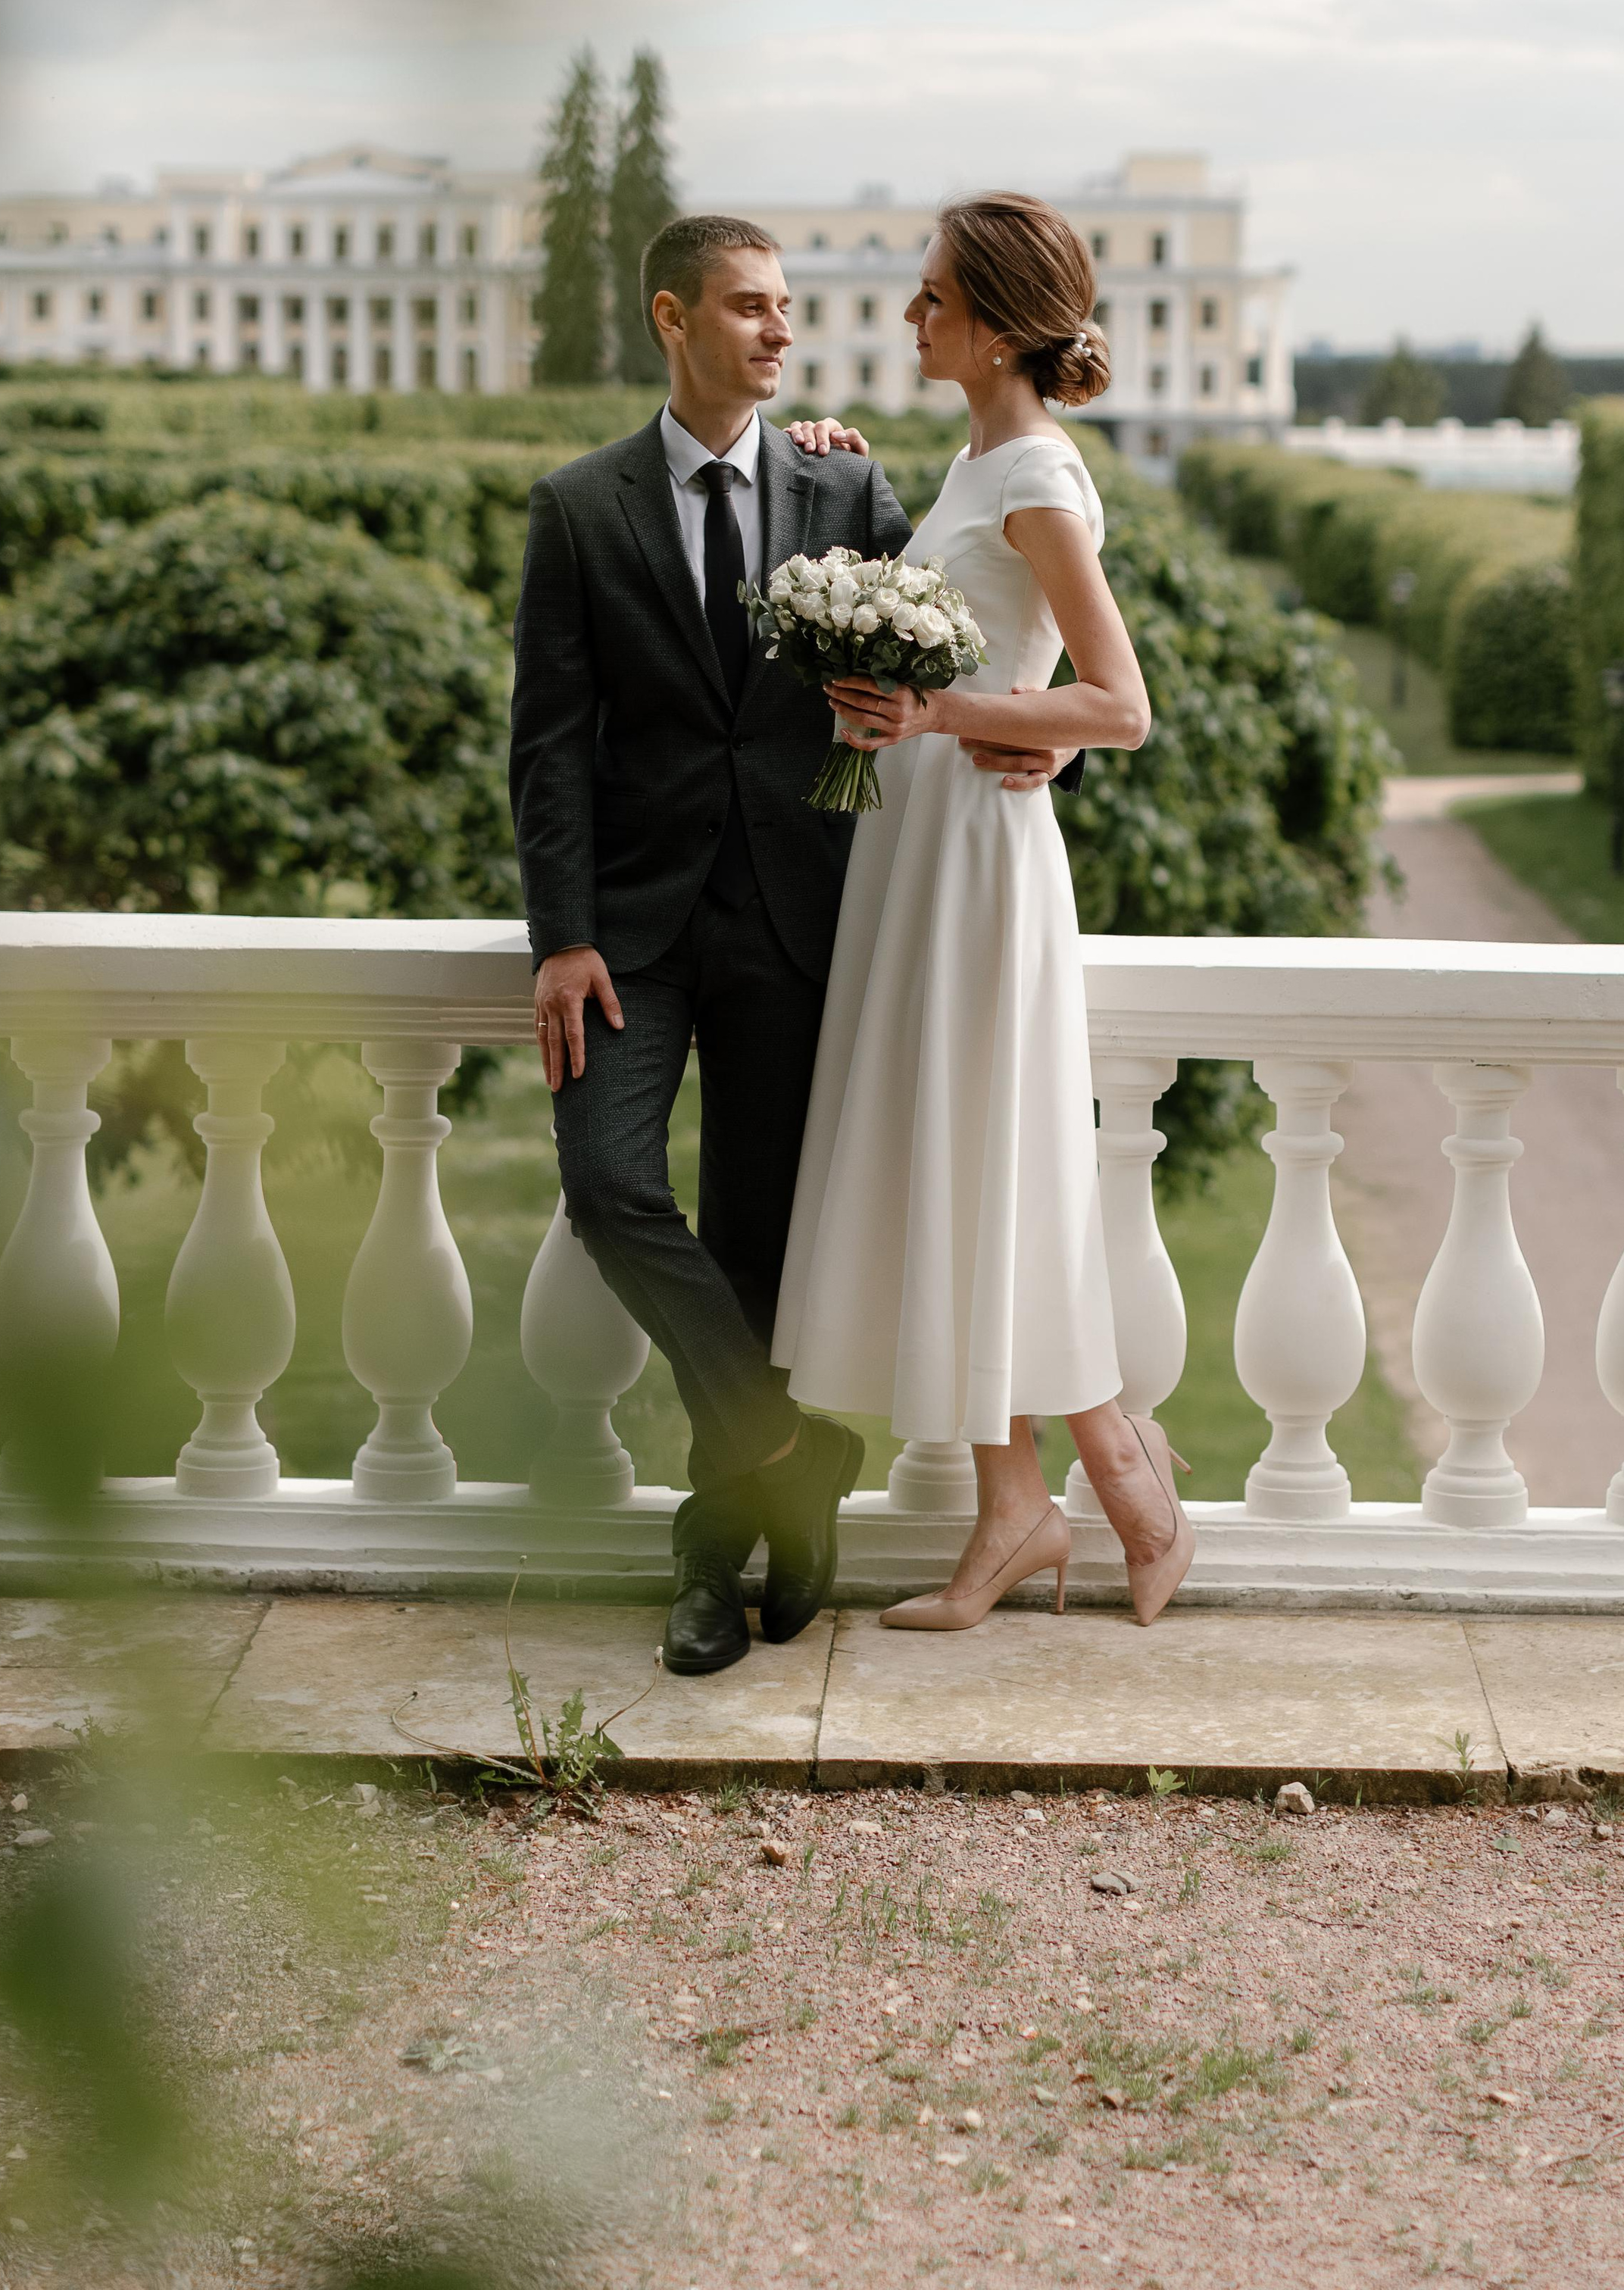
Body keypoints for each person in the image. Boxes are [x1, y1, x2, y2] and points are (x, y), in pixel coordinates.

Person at [508, 214, 1073, 1675]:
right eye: (748, 308)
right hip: (632, 936)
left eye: (786, 309)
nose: (777, 330)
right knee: (608, 1182)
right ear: (671, 319)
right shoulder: (580, 508)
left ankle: (722, 1551)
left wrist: (1047, 742)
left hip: (802, 918)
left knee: (760, 1247)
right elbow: (551, 746)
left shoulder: (843, 478)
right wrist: (562, 937)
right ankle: (784, 1444)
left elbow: (957, 627)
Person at [773, 192, 1195, 1630]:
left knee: (992, 1154)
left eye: (936, 296)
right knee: (961, 1158)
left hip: (979, 856)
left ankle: (1108, 1488)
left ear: (1003, 324)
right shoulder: (974, 463)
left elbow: (1120, 704)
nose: (913, 315)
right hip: (927, 845)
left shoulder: (1036, 476)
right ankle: (1021, 1507)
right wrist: (825, 462)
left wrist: (937, 710)